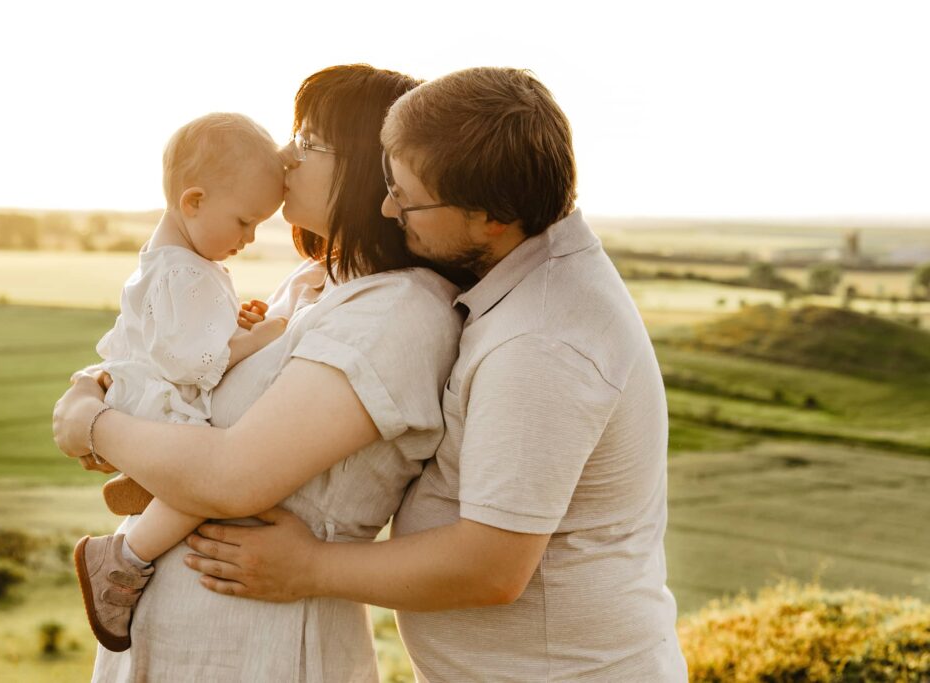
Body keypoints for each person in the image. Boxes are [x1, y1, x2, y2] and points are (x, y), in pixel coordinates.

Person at [180, 67, 690, 681]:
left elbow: (490, 567)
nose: (389, 207)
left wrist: (308, 567)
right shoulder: (525, 281)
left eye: (410, 198)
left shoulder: (542, 342)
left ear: (491, 219)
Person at [53, 64, 463, 681]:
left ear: (367, 166)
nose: (285, 156)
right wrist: (118, 392)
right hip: (171, 636)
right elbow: (201, 391)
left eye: (308, 140)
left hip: (263, 648)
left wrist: (92, 423)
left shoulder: (398, 311)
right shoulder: (312, 283)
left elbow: (233, 476)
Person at [71, 112, 288, 652]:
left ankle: (145, 486)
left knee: (207, 471)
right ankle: (120, 560)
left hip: (138, 389)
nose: (250, 237)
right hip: (160, 400)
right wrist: (261, 340)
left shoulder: (172, 260)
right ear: (193, 201)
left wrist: (228, 322)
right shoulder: (184, 272)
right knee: (214, 477)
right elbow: (194, 364)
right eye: (244, 222)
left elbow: (177, 332)